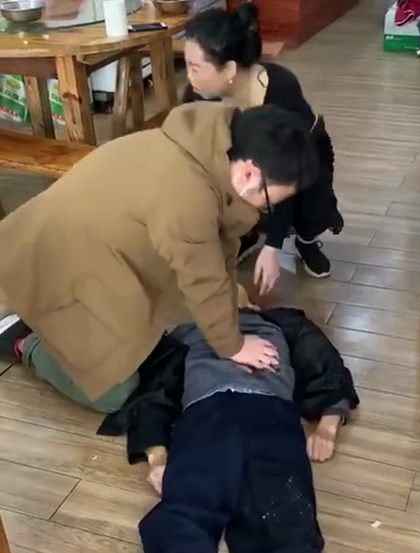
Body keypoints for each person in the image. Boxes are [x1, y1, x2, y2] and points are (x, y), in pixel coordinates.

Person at [0, 102, 317, 413]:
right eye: (269, 203)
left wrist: (231, 299)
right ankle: (23, 339)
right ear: (249, 174)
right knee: (113, 393)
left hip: (86, 249)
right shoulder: (188, 195)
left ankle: (43, 319)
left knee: (154, 335)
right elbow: (202, 278)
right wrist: (233, 345)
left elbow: (212, 255)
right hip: (53, 262)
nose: (265, 211)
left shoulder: (203, 145)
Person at [138, 307, 359, 553]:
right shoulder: (189, 329)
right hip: (206, 411)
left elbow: (322, 360)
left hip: (269, 410)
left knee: (284, 519)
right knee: (186, 512)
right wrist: (156, 455)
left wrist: (329, 424)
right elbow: (156, 390)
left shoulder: (280, 322)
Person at [182, 2, 344, 291]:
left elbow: (282, 174)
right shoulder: (199, 96)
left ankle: (305, 240)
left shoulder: (279, 89)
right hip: (250, 164)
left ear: (229, 68)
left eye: (195, 68)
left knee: (311, 210)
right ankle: (246, 233)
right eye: (186, 65)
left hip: (302, 161)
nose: (189, 77)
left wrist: (273, 246)